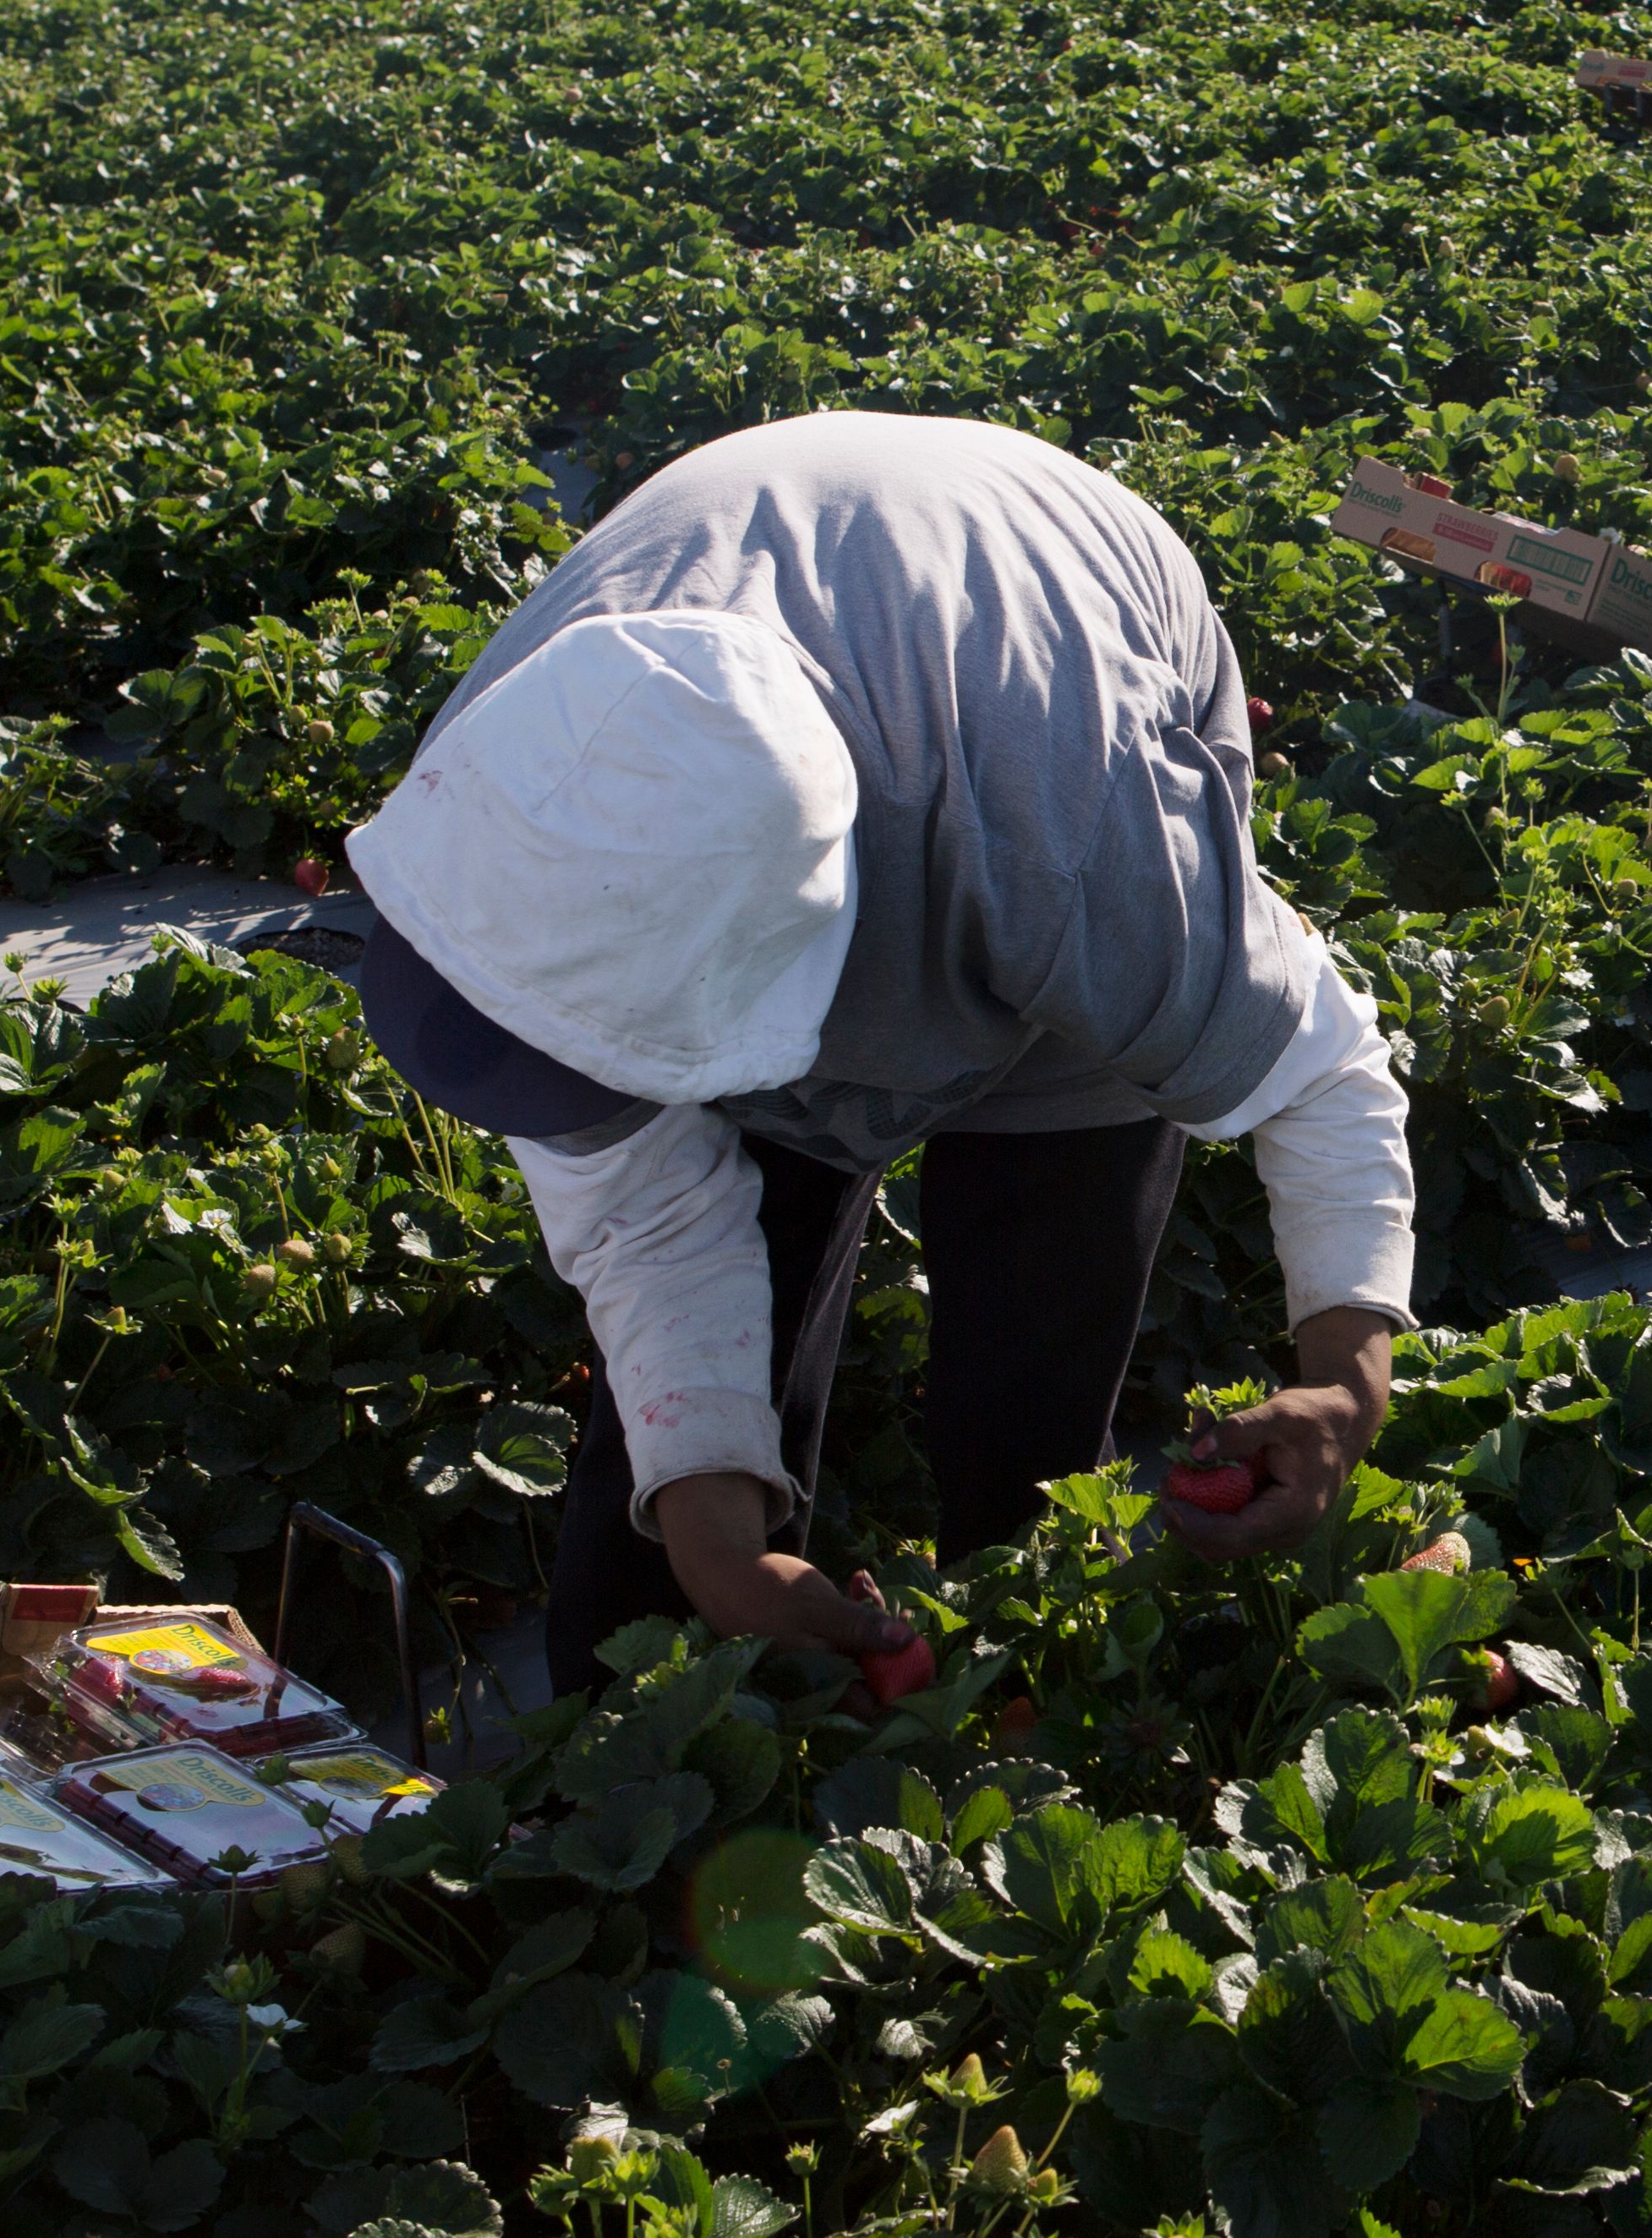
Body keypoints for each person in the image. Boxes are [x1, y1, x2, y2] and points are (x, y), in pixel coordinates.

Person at [342, 412, 1419, 1702]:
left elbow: (1321, 1070)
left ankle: (1022, 1690)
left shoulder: (1074, 847)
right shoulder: (527, 802)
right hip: (812, 611)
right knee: (673, 1474)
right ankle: (640, 1745)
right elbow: (643, 1208)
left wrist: (1346, 1384)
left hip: (1055, 632)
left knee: (1032, 1353)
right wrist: (714, 1535)